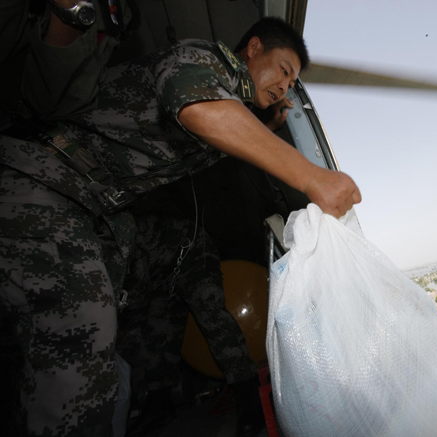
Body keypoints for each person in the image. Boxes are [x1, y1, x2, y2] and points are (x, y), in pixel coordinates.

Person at [1, 6, 361, 437]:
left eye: (291, 82)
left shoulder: (230, 101)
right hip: (36, 177)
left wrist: (263, 119)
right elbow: (195, 104)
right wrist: (313, 176)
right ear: (252, 49)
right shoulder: (205, 58)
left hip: (78, 200)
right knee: (81, 335)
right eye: (283, 70)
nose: (285, 85)